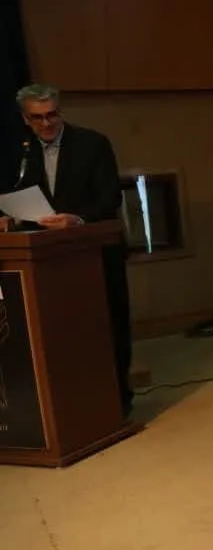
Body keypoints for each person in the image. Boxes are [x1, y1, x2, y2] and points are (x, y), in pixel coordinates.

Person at [6, 84, 133, 417]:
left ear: (60, 111)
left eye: (52, 115)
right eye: (37, 118)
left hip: (93, 251)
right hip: (45, 259)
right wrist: (8, 218)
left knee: (107, 327)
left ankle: (117, 401)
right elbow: (17, 197)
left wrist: (77, 219)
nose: (46, 123)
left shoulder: (92, 143)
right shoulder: (20, 152)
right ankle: (67, 407)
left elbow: (110, 198)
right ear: (25, 119)